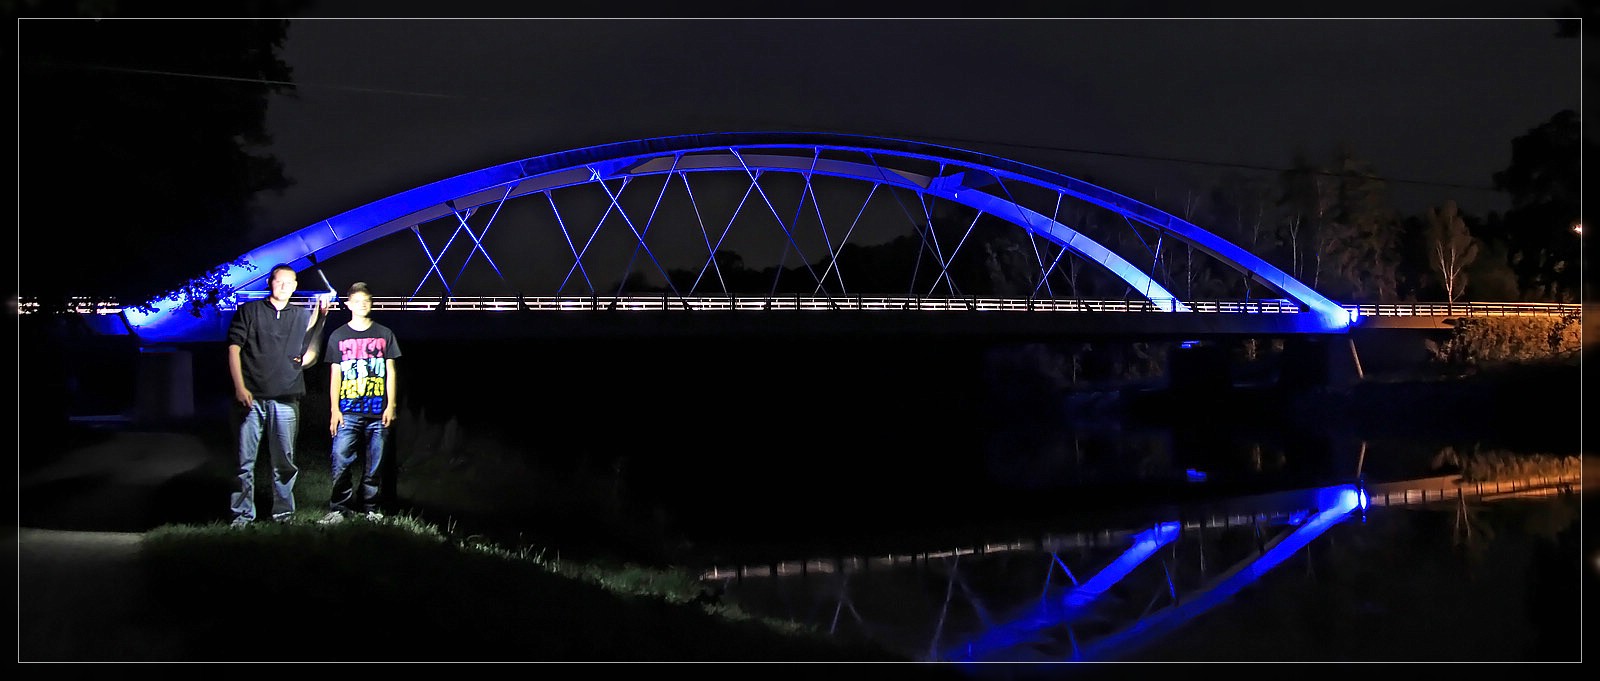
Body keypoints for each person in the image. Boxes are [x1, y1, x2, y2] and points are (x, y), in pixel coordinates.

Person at [227, 263, 330, 526]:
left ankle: (284, 515)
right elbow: (234, 349)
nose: (284, 286)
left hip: (287, 397)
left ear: (296, 286)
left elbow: (311, 346)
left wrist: (322, 319)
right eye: (279, 281)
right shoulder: (249, 311)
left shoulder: (301, 315)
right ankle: (242, 516)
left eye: (289, 282)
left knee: (284, 462)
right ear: (270, 283)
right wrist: (240, 387)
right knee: (244, 462)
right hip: (252, 397)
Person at [320, 281, 402, 524]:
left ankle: (370, 508)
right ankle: (339, 508)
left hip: (378, 410)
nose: (362, 305)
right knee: (341, 460)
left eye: (366, 300)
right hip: (348, 411)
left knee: (375, 465)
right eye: (357, 301)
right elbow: (335, 375)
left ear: (371, 303)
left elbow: (391, 371)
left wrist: (391, 405)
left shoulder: (384, 333)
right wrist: (334, 409)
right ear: (348, 305)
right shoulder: (339, 335)